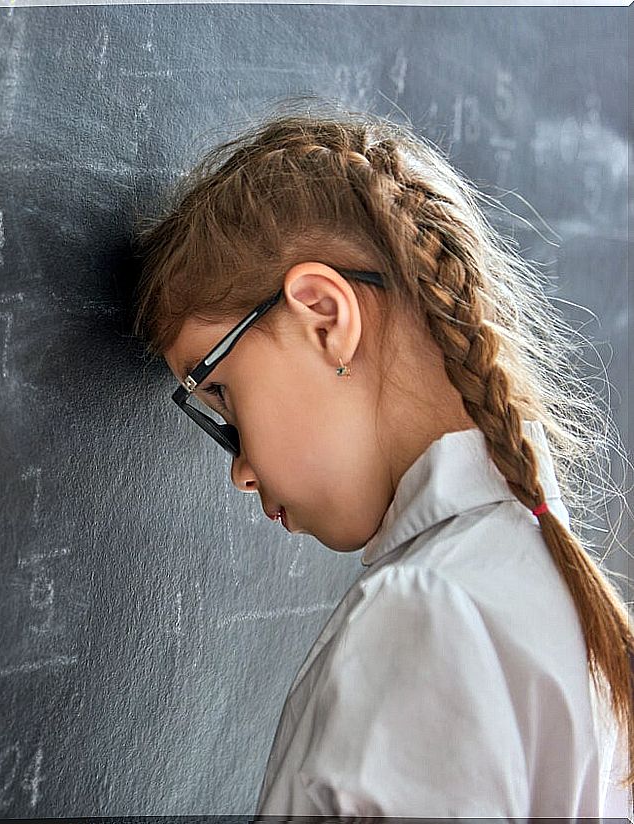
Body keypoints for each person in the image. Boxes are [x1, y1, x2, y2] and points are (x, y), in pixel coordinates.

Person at [131, 98, 633, 817]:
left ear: (325, 319)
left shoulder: (426, 619)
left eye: (224, 398)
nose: (240, 471)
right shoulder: (546, 586)